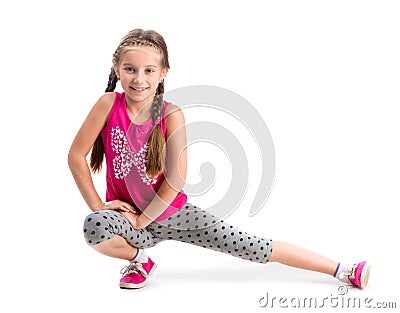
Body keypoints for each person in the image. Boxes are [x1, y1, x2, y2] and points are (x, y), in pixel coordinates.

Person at [68, 29, 371, 289]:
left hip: (171, 213)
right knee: (94, 226)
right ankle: (140, 260)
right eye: (130, 69)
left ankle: (343, 270)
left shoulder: (171, 114)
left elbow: (175, 180)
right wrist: (99, 205)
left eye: (149, 70)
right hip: (128, 217)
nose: (139, 79)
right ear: (117, 69)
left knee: (253, 246)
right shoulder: (108, 104)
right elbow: (76, 157)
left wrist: (143, 220)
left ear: (163, 73)